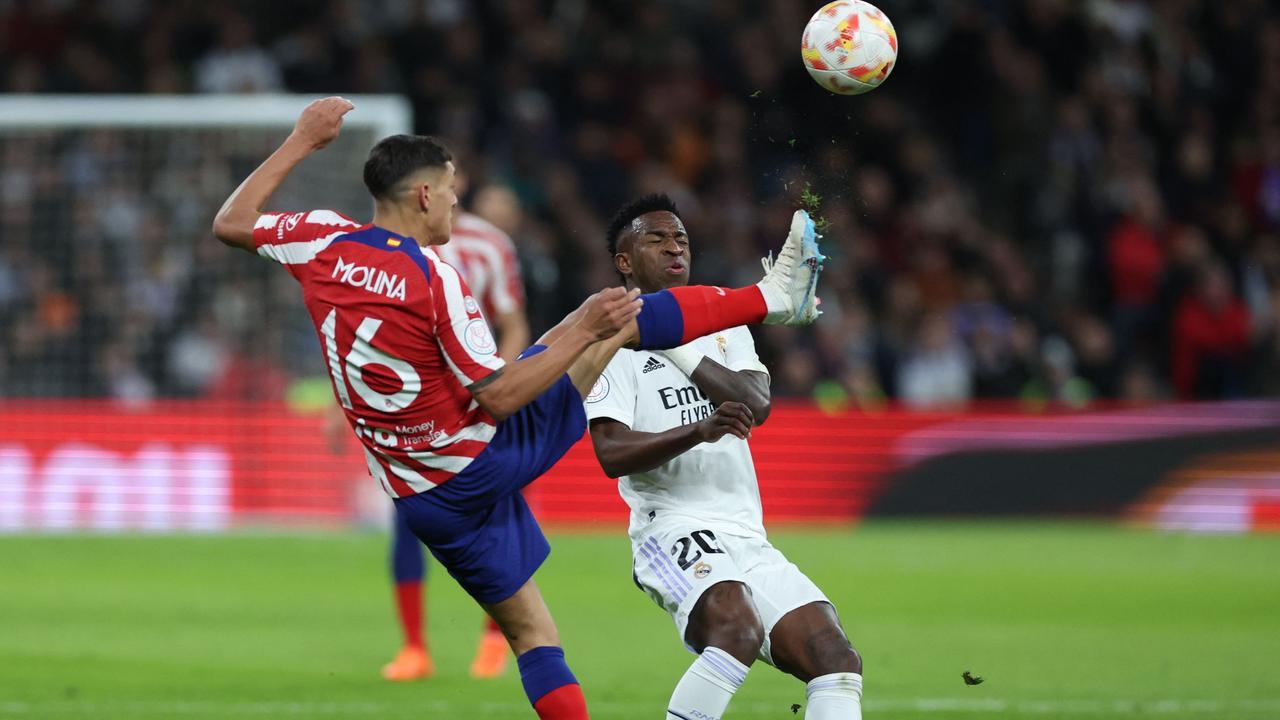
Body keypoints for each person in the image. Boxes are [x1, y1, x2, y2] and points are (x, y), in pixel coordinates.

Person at [211, 97, 822, 719]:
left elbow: (231, 222)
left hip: (418, 493)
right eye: (450, 189)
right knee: (615, 320)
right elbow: (500, 397)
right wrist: (585, 333)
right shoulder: (434, 278)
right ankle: (770, 297)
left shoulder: (319, 240)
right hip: (479, 460)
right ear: (423, 195)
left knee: (532, 633)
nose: (456, 201)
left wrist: (301, 140)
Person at [585, 194, 863, 720]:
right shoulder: (610, 344)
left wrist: (673, 341)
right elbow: (611, 452)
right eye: (657, 239)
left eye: (682, 239)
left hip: (745, 532)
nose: (675, 248)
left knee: (835, 657)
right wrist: (698, 429)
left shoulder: (724, 320)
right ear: (624, 262)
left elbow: (756, 404)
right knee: (737, 629)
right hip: (669, 527)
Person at [382, 183, 530, 682]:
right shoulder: (387, 248)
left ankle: (495, 637)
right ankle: (414, 648)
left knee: (499, 519)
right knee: (407, 518)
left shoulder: (489, 244)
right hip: (421, 406)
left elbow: (513, 323)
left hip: (481, 400)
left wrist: (499, 385)